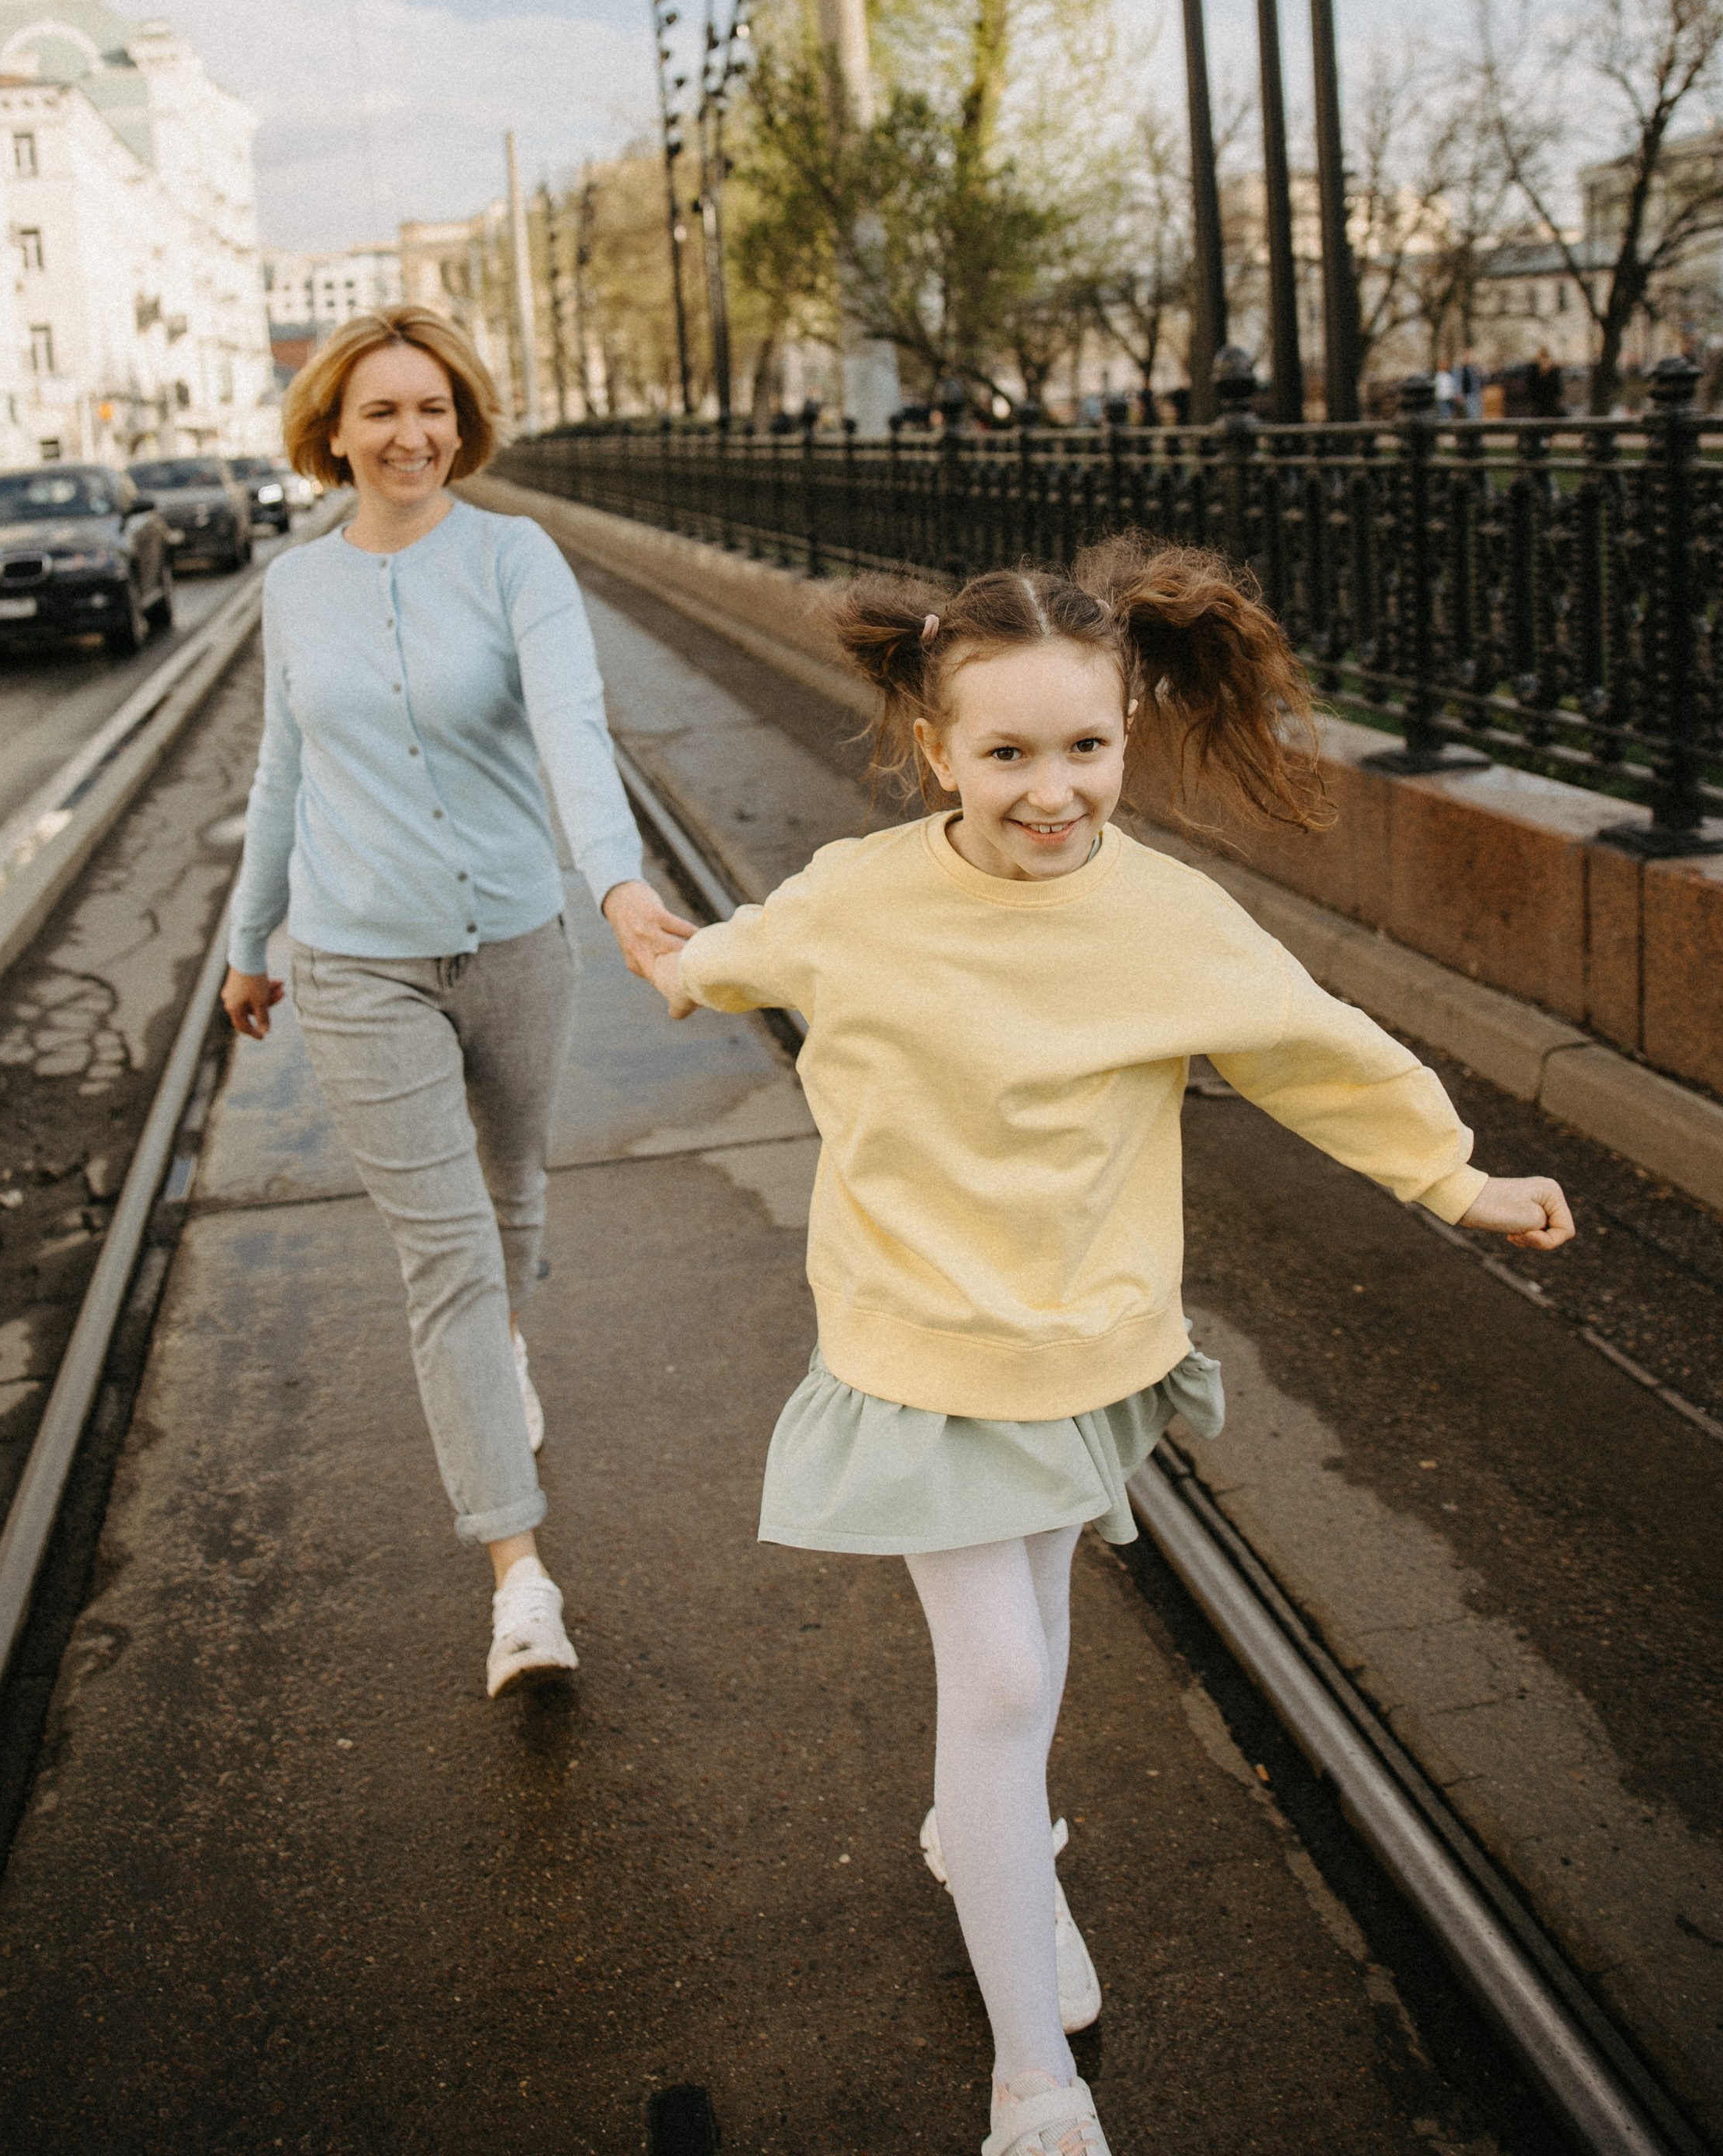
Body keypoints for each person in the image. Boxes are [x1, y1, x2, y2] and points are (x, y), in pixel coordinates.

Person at [645, 543, 1573, 2156]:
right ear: (935, 751)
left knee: (1043, 1645)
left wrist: (1455, 1177)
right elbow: (721, 957)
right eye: (1004, 753)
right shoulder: (857, 900)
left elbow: (1318, 1053)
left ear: (1125, 726)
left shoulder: (1169, 919)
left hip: (1085, 1339)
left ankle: (983, 1840)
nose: (1051, 791)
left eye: (1083, 748)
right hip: (920, 1348)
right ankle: (1030, 2080)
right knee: (998, 1674)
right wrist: (641, 928)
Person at [221, 307, 691, 1698]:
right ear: (332, 431)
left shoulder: (512, 557)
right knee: (448, 1262)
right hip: (356, 961)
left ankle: (506, 1360)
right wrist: (255, 943)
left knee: (514, 1196)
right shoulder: (294, 590)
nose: (409, 435)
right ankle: (521, 1583)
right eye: (379, 412)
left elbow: (570, 728)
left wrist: (616, 886)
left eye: (432, 408)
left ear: (463, 419)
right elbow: (277, 778)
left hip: (515, 939)